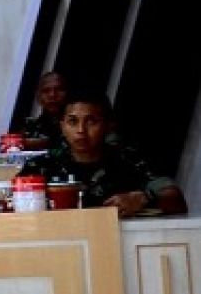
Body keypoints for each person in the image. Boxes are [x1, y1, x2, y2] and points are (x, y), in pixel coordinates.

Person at [19, 89, 187, 217]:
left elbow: (176, 200)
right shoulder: (39, 166)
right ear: (62, 126)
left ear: (108, 126)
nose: (81, 130)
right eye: (73, 121)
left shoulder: (130, 160)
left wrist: (143, 199)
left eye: (91, 122)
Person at [18, 71, 68, 151]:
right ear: (38, 97)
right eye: (46, 91)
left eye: (59, 89)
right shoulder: (29, 127)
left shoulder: (77, 128)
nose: (52, 95)